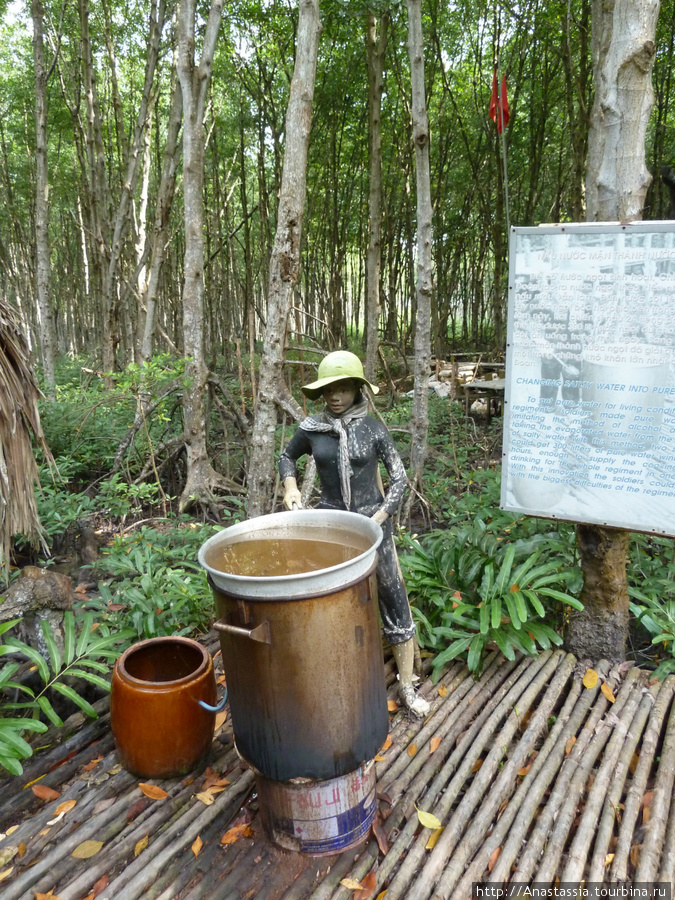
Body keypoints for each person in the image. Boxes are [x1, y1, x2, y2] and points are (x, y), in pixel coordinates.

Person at [279, 350, 430, 717]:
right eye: (329, 389)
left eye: (343, 389)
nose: (335, 397)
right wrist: (291, 488)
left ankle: (407, 685)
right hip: (331, 525)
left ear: (358, 389)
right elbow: (287, 456)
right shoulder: (313, 429)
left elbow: (398, 478)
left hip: (374, 525)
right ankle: (329, 675)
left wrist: (379, 516)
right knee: (324, 597)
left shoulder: (373, 429)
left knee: (393, 596)